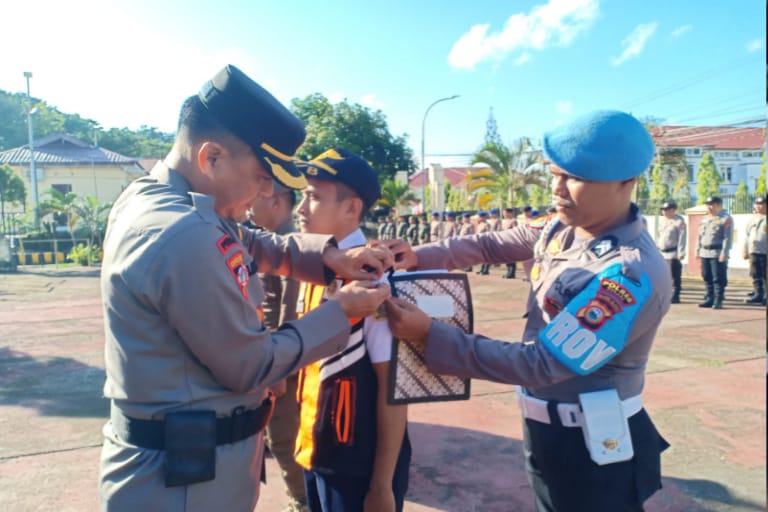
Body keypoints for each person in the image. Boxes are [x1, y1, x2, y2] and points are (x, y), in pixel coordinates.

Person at [98, 64, 393, 512]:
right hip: (182, 487)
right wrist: (344, 310)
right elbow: (251, 365)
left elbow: (248, 241)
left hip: (190, 470)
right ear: (211, 157)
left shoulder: (166, 201)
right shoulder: (180, 232)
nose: (263, 194)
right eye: (260, 178)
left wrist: (327, 257)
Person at [384, 110, 671, 511]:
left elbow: (542, 364)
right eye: (554, 174)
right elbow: (488, 246)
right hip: (545, 428)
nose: (557, 189)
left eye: (575, 177)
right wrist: (415, 257)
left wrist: (429, 335)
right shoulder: (563, 228)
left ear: (627, 183)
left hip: (594, 448)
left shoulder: (628, 274)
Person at [294, 148, 411, 512]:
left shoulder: (375, 276)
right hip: (315, 449)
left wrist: (382, 485)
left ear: (351, 208)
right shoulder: (318, 266)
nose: (300, 208)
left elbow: (394, 388)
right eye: (302, 196)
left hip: (357, 465)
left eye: (313, 197)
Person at [247, 183, 308, 512]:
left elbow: (289, 308)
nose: (249, 206)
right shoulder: (276, 240)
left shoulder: (287, 243)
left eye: (255, 198)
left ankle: (302, 502)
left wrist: (279, 366)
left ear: (275, 199)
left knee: (284, 438)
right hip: (277, 352)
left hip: (282, 360)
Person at [695, 196, 733, 309]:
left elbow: (727, 238)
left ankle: (718, 300)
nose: (709, 207)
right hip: (704, 251)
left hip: (717, 252)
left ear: (719, 205)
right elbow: (699, 236)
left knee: (717, 277)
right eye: (708, 204)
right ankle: (709, 298)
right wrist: (697, 251)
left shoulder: (725, 219)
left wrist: (724, 253)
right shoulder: (705, 219)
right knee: (706, 276)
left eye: (712, 204)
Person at [655, 201, 686, 304]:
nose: (664, 212)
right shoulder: (662, 221)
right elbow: (658, 236)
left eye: (666, 210)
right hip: (662, 252)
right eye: (663, 210)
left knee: (675, 275)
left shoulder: (679, 222)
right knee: (663, 275)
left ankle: (676, 295)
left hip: (673, 252)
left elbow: (682, 238)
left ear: (673, 210)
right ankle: (665, 294)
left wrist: (681, 252)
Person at [742, 195, 766, 305]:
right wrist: (745, 250)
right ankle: (758, 294)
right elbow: (747, 235)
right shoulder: (752, 220)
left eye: (762, 204)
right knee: (755, 274)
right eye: (757, 204)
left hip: (765, 251)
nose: (759, 206)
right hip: (754, 250)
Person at [500, 207, 518, 279]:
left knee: (512, 257)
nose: (504, 214)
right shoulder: (503, 221)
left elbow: (515, 231)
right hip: (504, 240)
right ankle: (508, 272)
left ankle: (512, 273)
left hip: (511, 240)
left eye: (505, 212)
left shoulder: (513, 221)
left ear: (510, 213)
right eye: (503, 213)